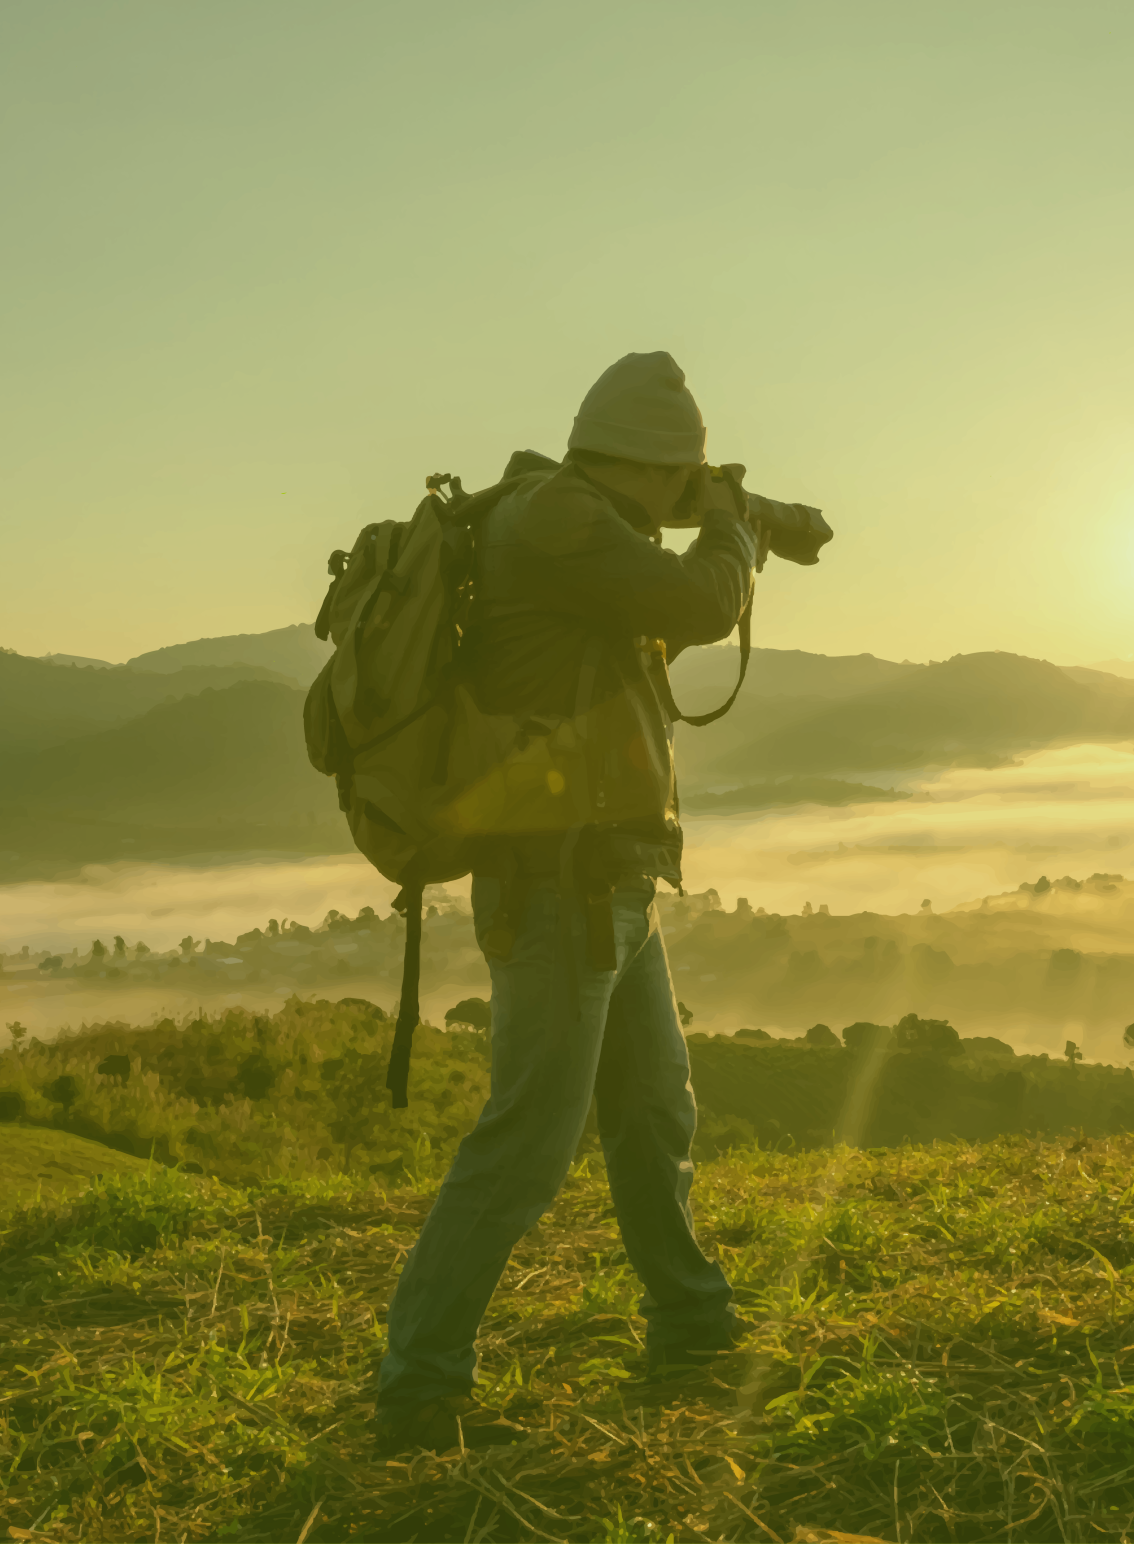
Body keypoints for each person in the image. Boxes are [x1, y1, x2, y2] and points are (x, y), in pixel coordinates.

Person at [373, 351, 759, 1454]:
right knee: (529, 1141)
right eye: (686, 476)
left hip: (606, 870)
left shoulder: (579, 516)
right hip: (558, 878)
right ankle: (419, 1386)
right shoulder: (560, 521)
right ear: (661, 465)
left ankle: (690, 1322)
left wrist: (729, 511)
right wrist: (731, 523)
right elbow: (700, 597)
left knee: (651, 1112)